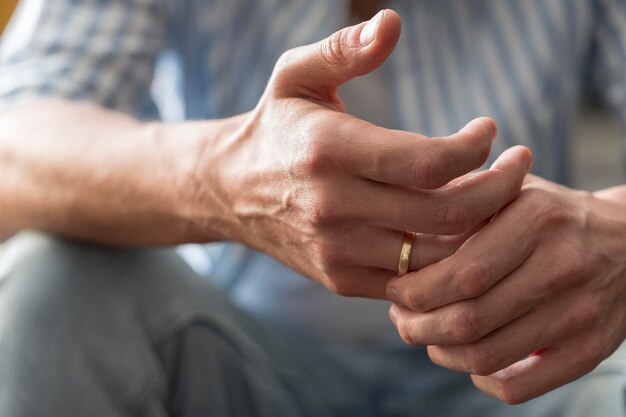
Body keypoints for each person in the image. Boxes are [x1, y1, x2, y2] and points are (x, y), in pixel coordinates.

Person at [0, 1, 624, 416]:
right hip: (239, 358)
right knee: (48, 285)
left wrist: (615, 234)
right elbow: (14, 146)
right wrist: (225, 176)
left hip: (536, 371)